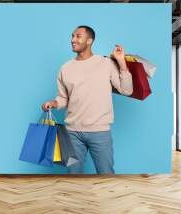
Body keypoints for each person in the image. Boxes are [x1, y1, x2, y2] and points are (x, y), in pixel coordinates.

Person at [41, 25, 133, 174]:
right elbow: (64, 98)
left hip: (99, 131)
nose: (73, 40)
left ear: (89, 41)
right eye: (72, 36)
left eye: (78, 36)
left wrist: (121, 62)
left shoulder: (105, 63)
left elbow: (127, 90)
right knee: (73, 176)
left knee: (106, 175)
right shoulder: (65, 68)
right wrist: (54, 103)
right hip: (72, 133)